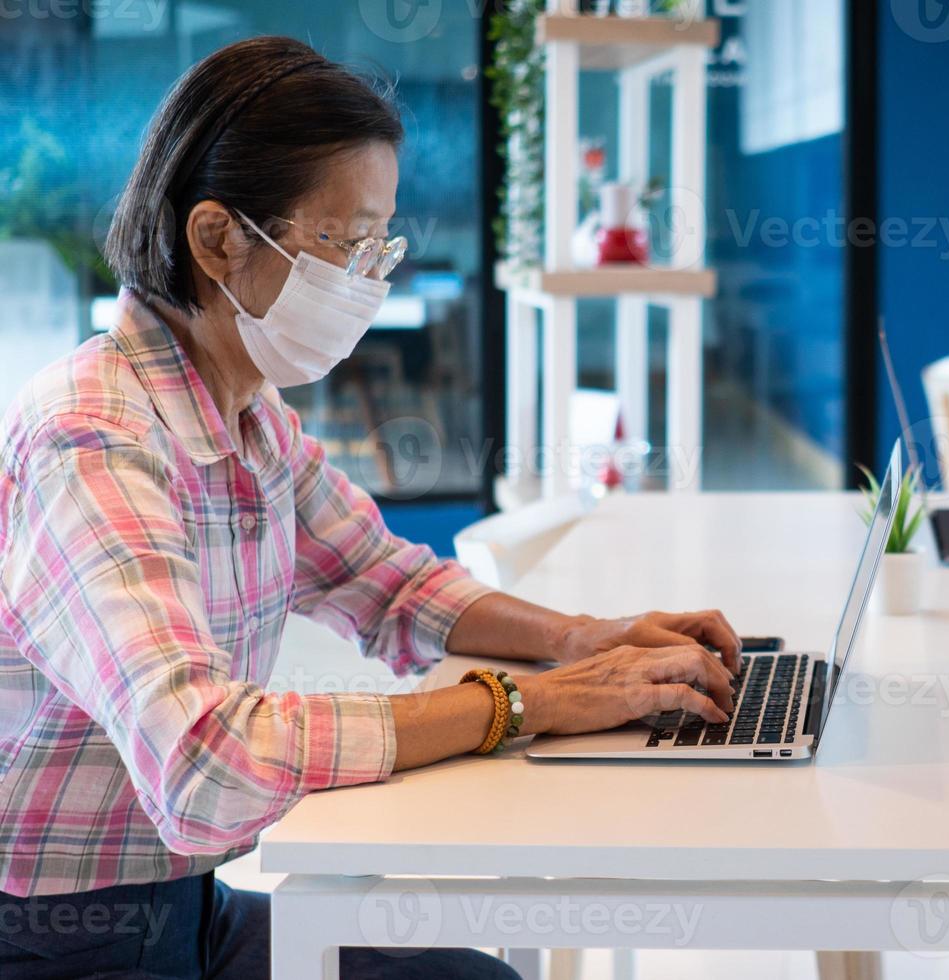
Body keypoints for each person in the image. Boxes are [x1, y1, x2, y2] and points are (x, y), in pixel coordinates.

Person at [0, 36, 742, 979]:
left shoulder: (246, 412)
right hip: (62, 942)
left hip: (189, 909)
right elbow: (206, 761)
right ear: (217, 237)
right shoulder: (94, 438)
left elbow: (388, 580)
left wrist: (586, 640)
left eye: (377, 246)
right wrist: (522, 707)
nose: (365, 281)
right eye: (341, 244)